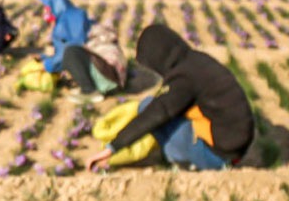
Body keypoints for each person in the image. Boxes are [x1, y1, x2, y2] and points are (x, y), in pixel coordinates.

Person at [86, 24, 255, 172]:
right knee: (154, 105)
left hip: (217, 156)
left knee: (150, 110)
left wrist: (113, 147)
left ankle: (188, 163)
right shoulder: (196, 61)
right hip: (233, 148)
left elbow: (157, 112)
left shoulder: (184, 78)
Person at [61, 22, 128, 105]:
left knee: (71, 52)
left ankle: (89, 91)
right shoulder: (113, 46)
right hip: (115, 85)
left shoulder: (96, 44)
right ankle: (90, 88)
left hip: (107, 80)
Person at [37, 0, 92, 77]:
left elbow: (65, 53)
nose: (45, 10)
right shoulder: (73, 14)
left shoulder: (63, 24)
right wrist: (43, 57)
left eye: (46, 7)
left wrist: (48, 65)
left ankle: (88, 88)